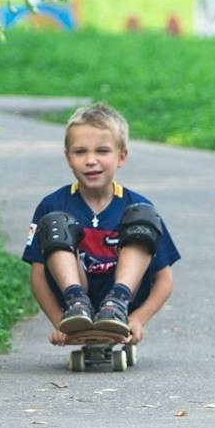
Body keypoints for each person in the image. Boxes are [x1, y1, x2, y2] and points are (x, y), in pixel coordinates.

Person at [23, 103, 180, 346]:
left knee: (141, 218)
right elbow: (39, 276)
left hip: (124, 302)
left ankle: (116, 302)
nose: (91, 161)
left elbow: (164, 279)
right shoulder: (53, 203)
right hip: (74, 299)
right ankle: (77, 304)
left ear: (122, 156)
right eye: (80, 152)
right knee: (56, 222)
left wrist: (138, 319)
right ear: (67, 157)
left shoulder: (137, 204)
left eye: (103, 151)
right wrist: (58, 322)